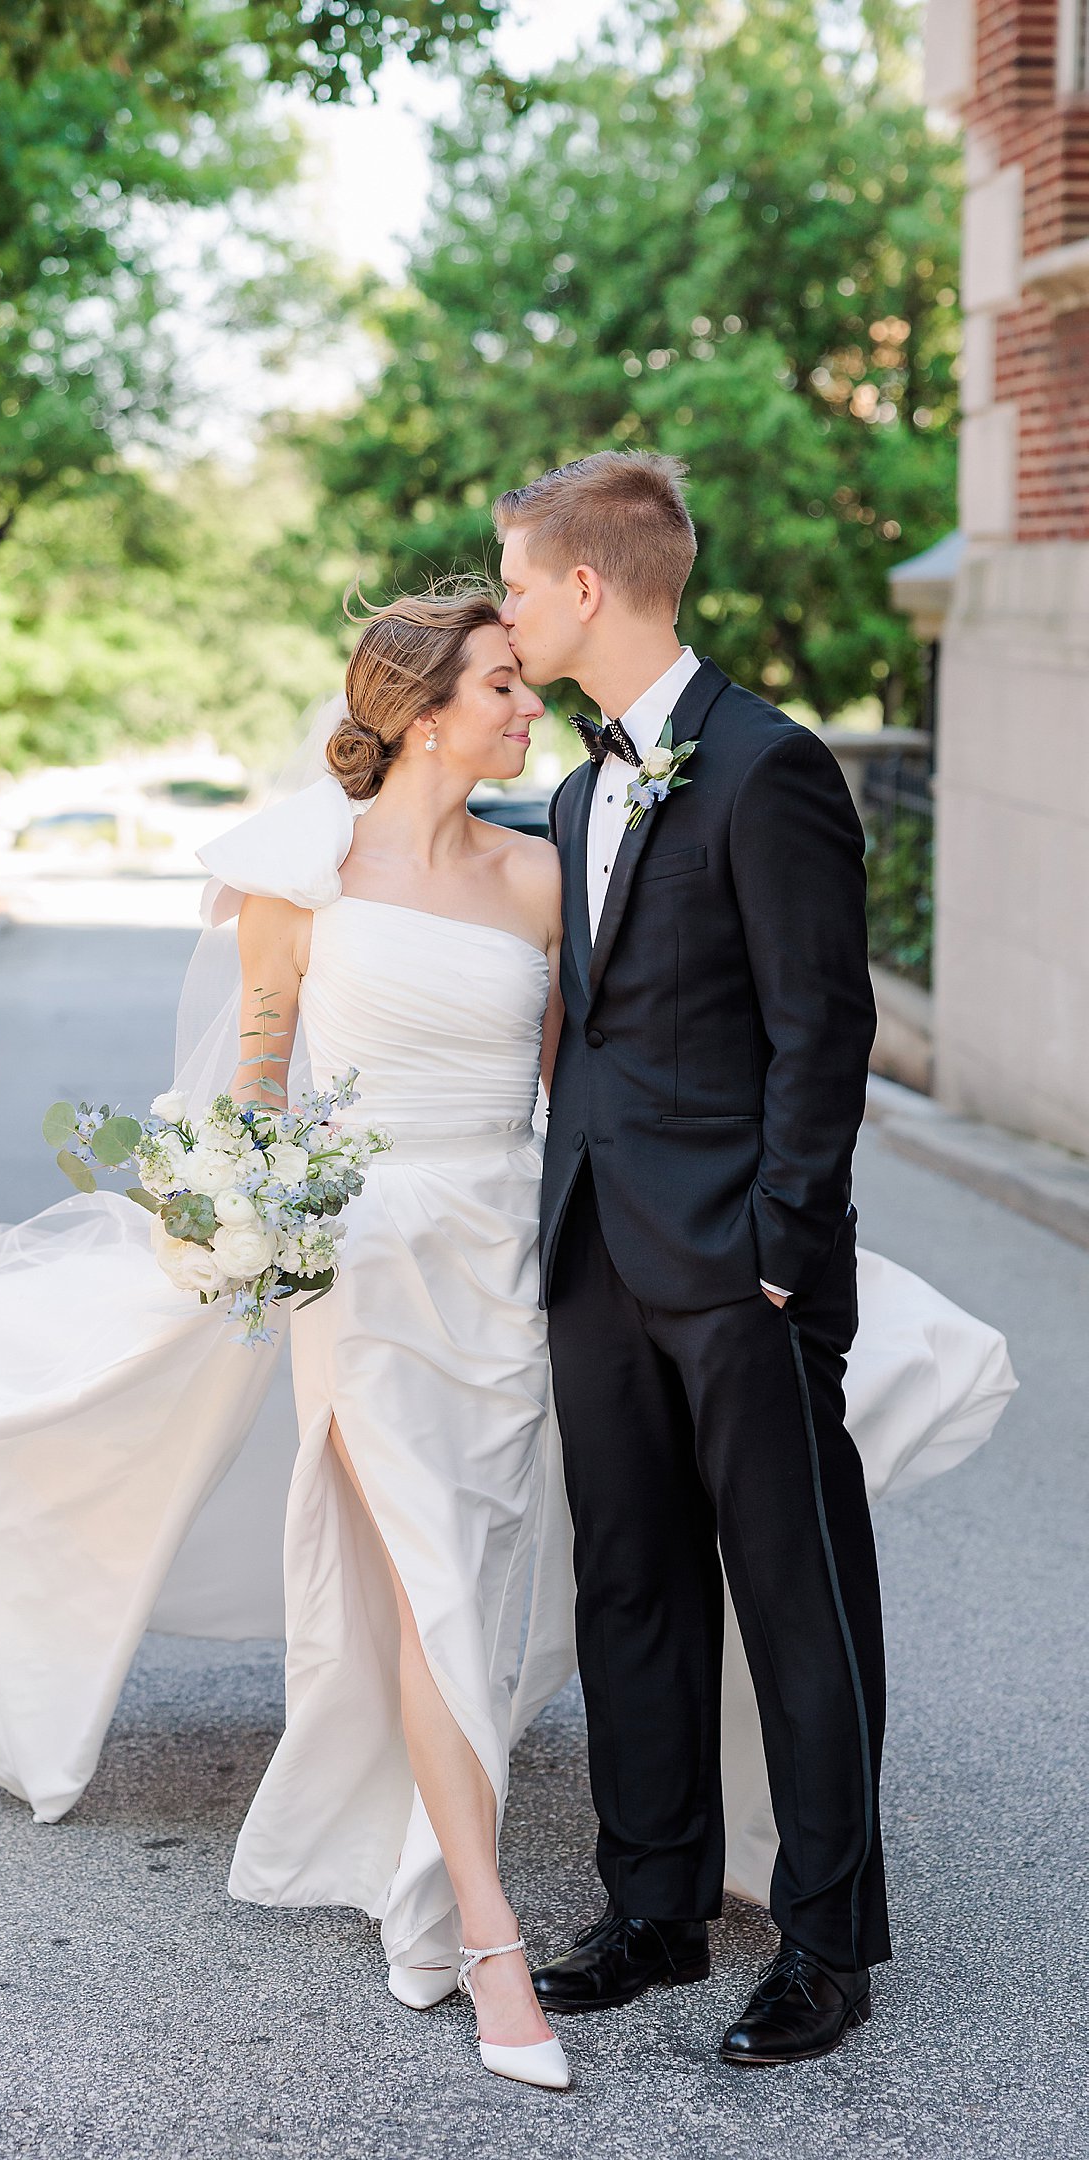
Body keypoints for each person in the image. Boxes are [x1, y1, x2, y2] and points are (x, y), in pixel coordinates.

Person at [0, 576, 1014, 2093]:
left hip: (518, 1263)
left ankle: (661, 1891)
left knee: (534, 1569)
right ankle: (485, 1928)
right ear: (422, 714)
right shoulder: (302, 870)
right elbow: (252, 1077)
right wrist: (243, 1207)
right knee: (430, 1576)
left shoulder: (546, 862)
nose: (525, 704)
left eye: (522, 674)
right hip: (362, 1271)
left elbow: (602, 1079)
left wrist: (748, 1234)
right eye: (496, 685)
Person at [497, 448, 895, 2065]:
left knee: (800, 1603)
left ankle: (825, 1945)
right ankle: (654, 1905)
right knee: (631, 1587)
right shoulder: (588, 787)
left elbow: (824, 1030)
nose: (506, 608)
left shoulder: (767, 766)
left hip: (743, 1266)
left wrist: (787, 1254)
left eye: (516, 582)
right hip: (595, 1251)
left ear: (587, 586)